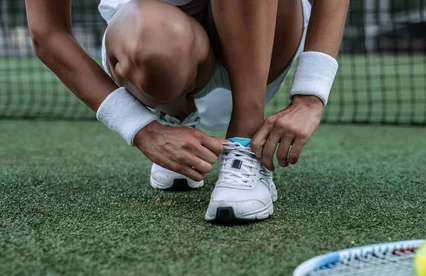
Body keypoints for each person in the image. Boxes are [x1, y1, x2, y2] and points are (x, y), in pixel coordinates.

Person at [24, 0, 348, 223]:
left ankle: (244, 141)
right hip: (166, 56)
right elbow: (48, 32)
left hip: (266, 38)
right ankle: (178, 119)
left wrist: (310, 95)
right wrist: (143, 130)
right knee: (149, 40)